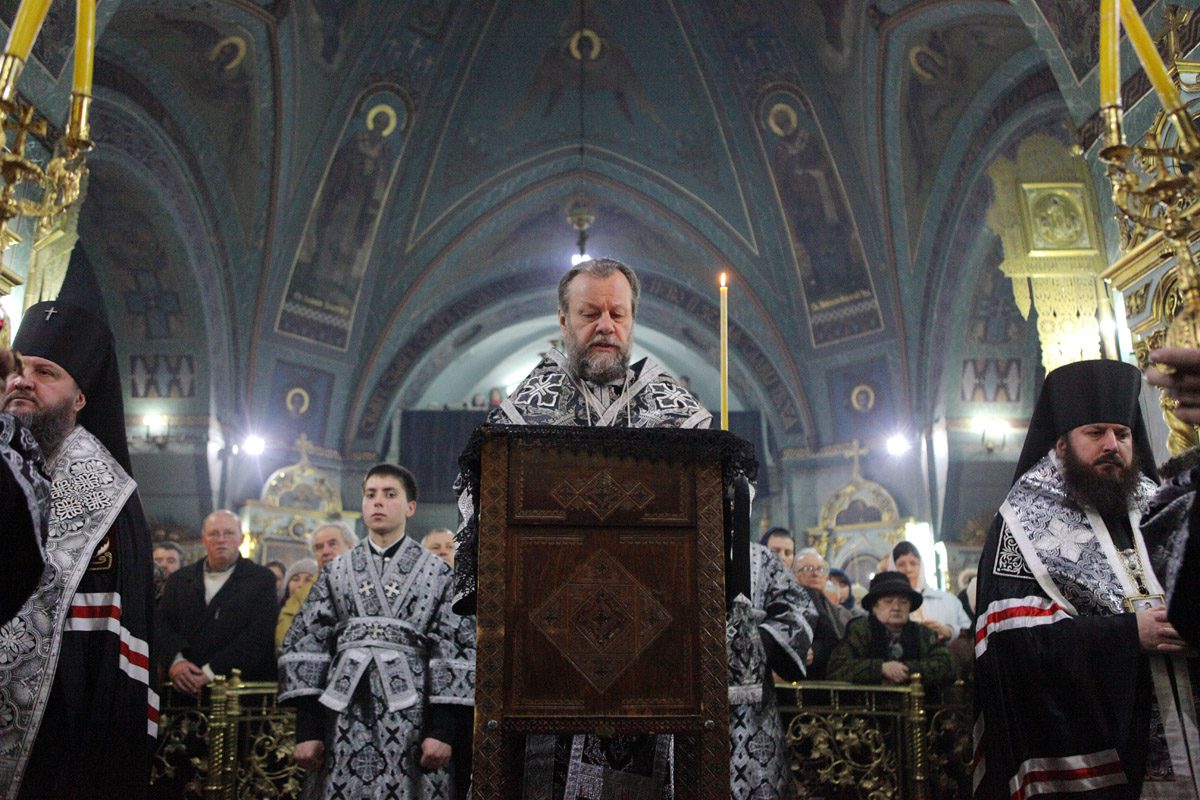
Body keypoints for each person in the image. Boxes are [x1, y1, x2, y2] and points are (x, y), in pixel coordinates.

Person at [452, 258, 807, 799]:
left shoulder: (673, 408)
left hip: (651, 653)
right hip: (547, 656)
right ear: (563, 319)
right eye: (590, 313)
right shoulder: (527, 410)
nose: (605, 326)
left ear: (633, 319)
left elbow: (726, 502)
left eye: (617, 314)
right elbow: (480, 493)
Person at [974, 359, 1200, 799]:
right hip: (1107, 754)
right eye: (1096, 433)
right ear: (1062, 444)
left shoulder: (1161, 504)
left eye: (1122, 434)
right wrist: (1129, 635)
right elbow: (1011, 644)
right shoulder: (1022, 522)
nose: (1112, 445)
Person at [0, 302, 156, 799]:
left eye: (46, 373)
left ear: (81, 397)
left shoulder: (109, 502)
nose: (24, 381)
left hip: (53, 744)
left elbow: (106, 655)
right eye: (18, 367)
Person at [280, 464, 475, 799]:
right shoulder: (336, 572)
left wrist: (443, 730)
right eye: (370, 495)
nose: (378, 502)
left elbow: (455, 648)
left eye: (389, 494)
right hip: (342, 716)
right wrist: (308, 729)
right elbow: (307, 643)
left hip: (414, 721)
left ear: (410, 507)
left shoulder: (438, 573)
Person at [156, 509, 278, 692]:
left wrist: (211, 672)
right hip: (182, 686)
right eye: (213, 533)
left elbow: (259, 634)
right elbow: (163, 626)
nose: (221, 539)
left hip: (235, 688)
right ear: (203, 539)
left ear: (241, 538)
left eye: (228, 533)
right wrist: (176, 661)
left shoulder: (261, 579)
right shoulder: (179, 580)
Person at [826, 571, 954, 687]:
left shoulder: (924, 633)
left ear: (910, 607)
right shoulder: (859, 630)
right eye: (888, 601)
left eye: (903, 602)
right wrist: (880, 668)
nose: (896, 607)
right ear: (874, 607)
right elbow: (837, 668)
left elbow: (948, 667)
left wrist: (909, 669)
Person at [274, 522, 357, 650]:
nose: (325, 551)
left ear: (350, 547)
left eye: (332, 544)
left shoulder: (366, 584)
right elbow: (285, 636)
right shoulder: (303, 594)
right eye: (319, 547)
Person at [891, 540, 970, 640]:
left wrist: (949, 631)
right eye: (901, 564)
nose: (908, 569)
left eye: (913, 563)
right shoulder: (888, 604)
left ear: (921, 566)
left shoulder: (948, 600)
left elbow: (968, 629)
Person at [793, 547, 850, 679]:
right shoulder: (789, 605)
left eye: (820, 569)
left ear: (826, 577)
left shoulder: (838, 611)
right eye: (808, 569)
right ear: (795, 575)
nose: (815, 574)